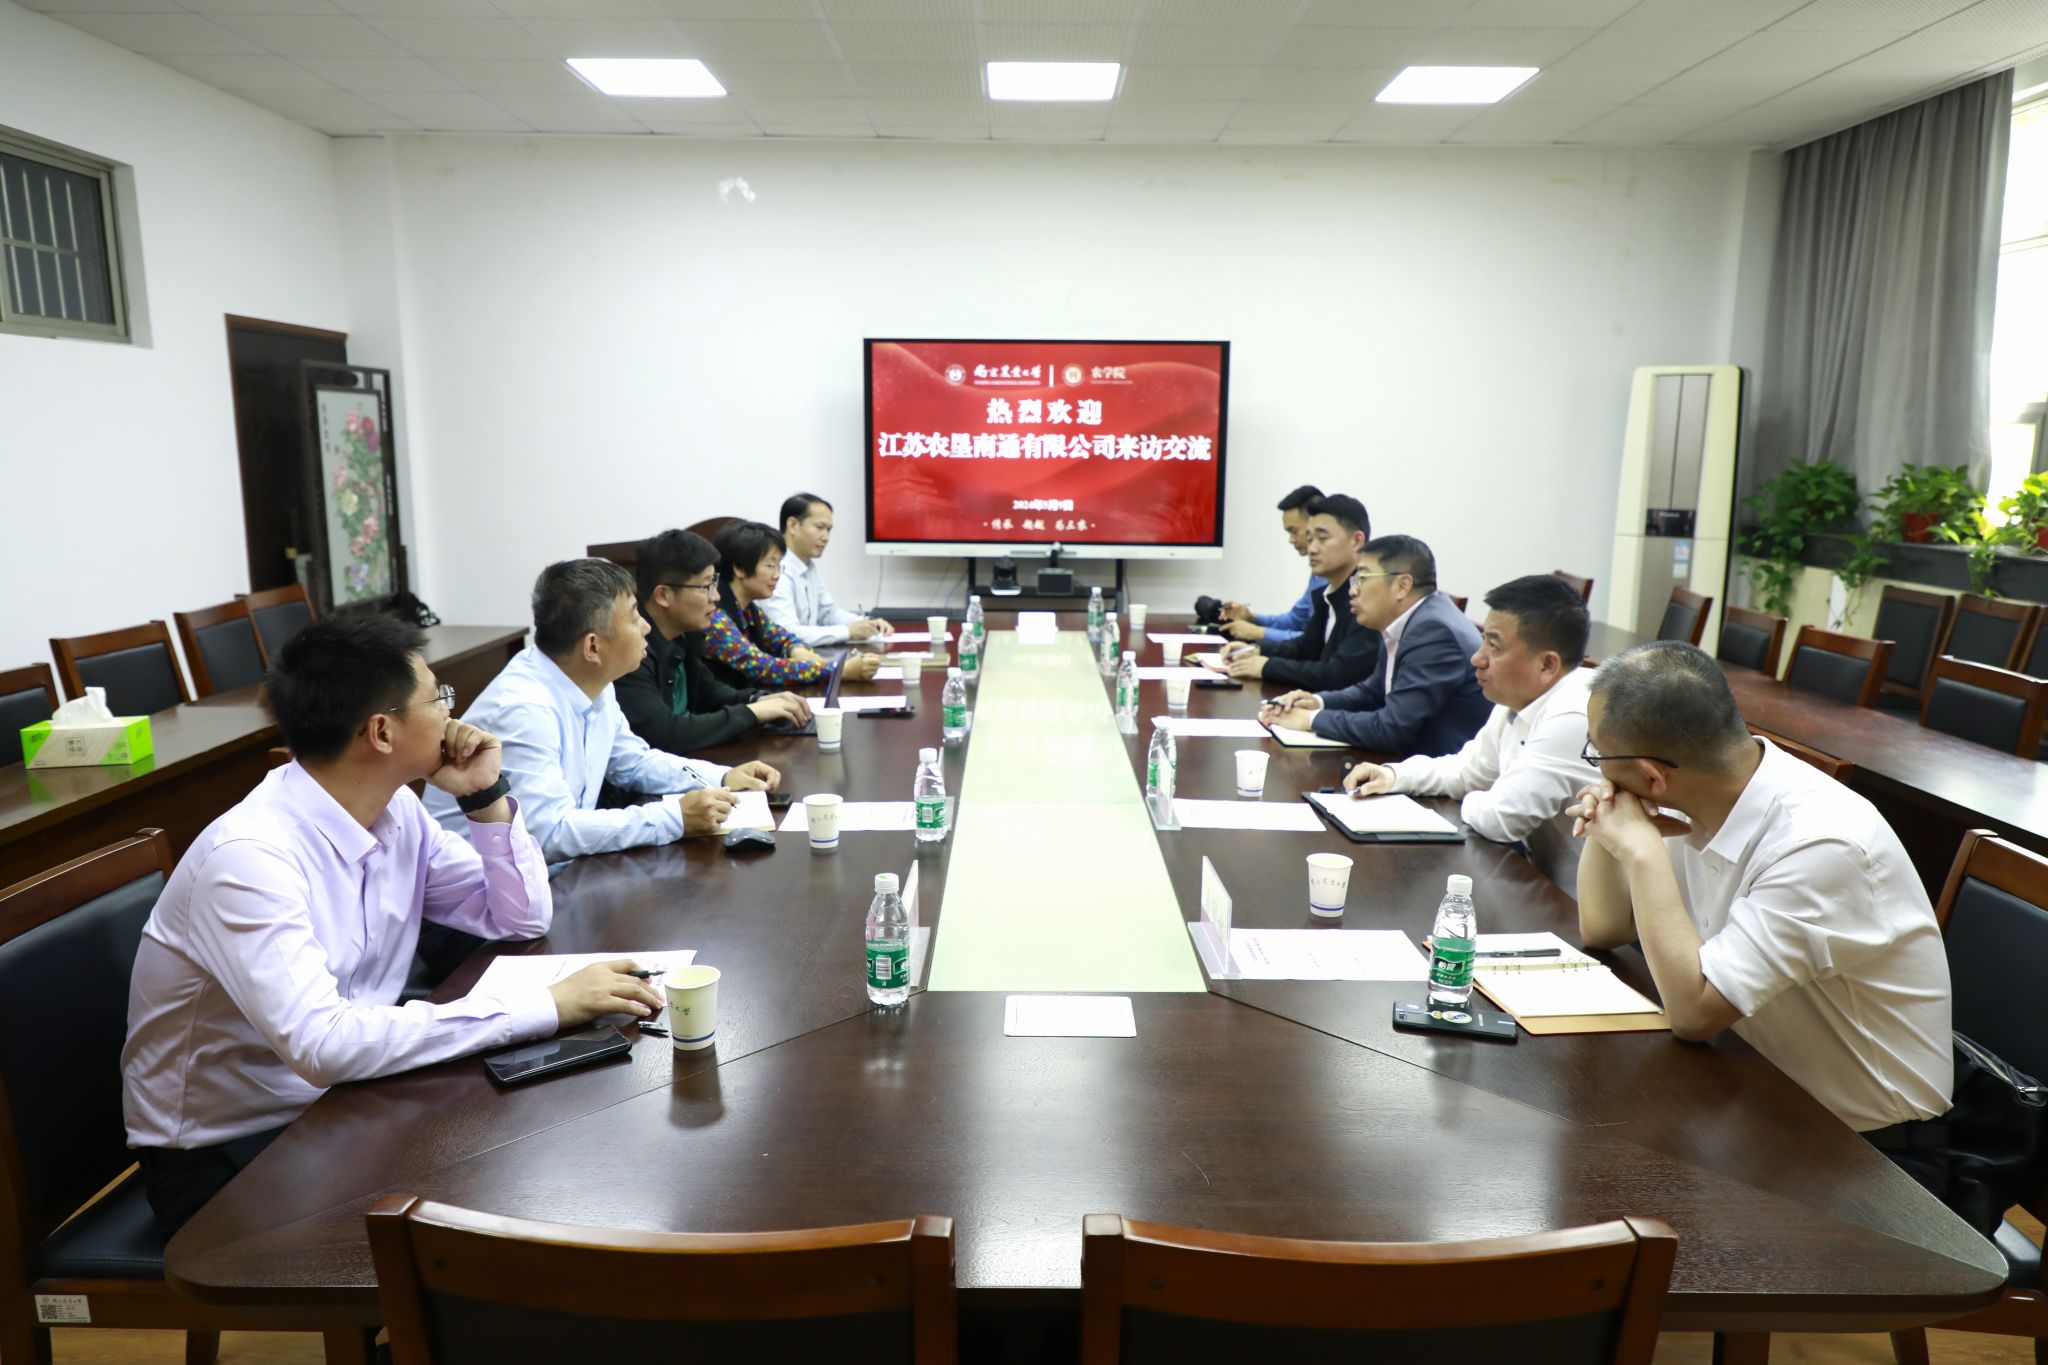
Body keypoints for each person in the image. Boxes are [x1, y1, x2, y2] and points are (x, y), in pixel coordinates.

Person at [122, 614, 666, 1234]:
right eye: (438, 698)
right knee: (484, 1214)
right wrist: (545, 1005)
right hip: (232, 1152)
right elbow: (325, 1047)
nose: (453, 713)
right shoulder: (249, 859)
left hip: (347, 1099)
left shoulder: (396, 810)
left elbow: (519, 917)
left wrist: (484, 797)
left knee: (530, 1152)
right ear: (381, 732)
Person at [1571, 641, 1951, 1154]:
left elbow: (1694, 1014)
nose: (1597, 768)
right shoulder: (1704, 783)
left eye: (1598, 754)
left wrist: (1642, 853)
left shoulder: (1821, 844)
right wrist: (1610, 819)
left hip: (1869, 1150)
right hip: (1753, 1088)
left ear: (1653, 776)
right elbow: (1603, 927)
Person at [424, 559, 780, 861]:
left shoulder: (591, 680)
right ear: (592, 647)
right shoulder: (523, 711)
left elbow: (633, 761)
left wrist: (721, 778)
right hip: (479, 902)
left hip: (553, 878)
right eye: (634, 616)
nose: (646, 626)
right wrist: (674, 817)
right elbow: (549, 833)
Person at [1339, 574, 1592, 883]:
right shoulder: (1517, 699)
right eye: (1483, 639)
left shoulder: (1573, 714)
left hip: (1574, 901)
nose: (1477, 658)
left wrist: (1476, 796)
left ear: (1547, 665)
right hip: (1537, 880)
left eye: (1494, 646)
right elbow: (1467, 771)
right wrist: (1395, 775)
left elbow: (1502, 820)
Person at [1262, 534, 1487, 755]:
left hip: (1436, 769)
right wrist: (1317, 702)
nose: (1352, 590)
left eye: (1362, 578)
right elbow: (1373, 692)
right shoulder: (1410, 620)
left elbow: (1392, 729)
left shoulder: (1434, 631)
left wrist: (1310, 720)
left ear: (1402, 585)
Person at [618, 527, 813, 756]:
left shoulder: (684, 634)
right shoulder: (630, 652)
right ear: (663, 595)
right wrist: (752, 713)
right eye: (706, 586)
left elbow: (708, 691)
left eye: (715, 583)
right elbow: (666, 733)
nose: (716, 596)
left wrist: (758, 699)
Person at [1217, 493, 1380, 690]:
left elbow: (1338, 675)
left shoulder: (1369, 599)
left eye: (1322, 538)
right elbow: (1305, 648)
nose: (1312, 549)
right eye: (1310, 539)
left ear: (1357, 541)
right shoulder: (1327, 594)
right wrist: (1256, 650)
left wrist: (1267, 667)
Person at [704, 521, 882, 691]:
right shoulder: (714, 615)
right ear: (739, 569)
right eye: (770, 566)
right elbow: (762, 667)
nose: (777, 575)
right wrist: (839, 671)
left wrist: (796, 649)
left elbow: (781, 636)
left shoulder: (748, 609)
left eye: (778, 566)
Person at [761, 492, 891, 647]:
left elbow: (828, 613)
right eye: (820, 527)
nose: (826, 537)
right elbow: (786, 633)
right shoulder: (776, 570)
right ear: (793, 525)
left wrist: (868, 624)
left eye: (828, 529)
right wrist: (848, 631)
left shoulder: (809, 566)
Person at [1218, 484, 1324, 644]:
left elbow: (1318, 643)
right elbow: (1296, 621)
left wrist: (1258, 632)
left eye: (1294, 531)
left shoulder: (1343, 578)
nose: (1291, 539)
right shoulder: (1318, 574)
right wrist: (1250, 617)